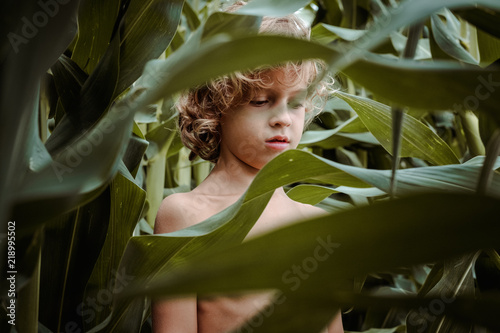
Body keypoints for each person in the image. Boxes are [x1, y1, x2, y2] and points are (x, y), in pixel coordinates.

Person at [153, 1, 343, 332]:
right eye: (260, 100)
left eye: (296, 103)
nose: (283, 119)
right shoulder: (185, 216)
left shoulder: (317, 225)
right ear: (215, 106)